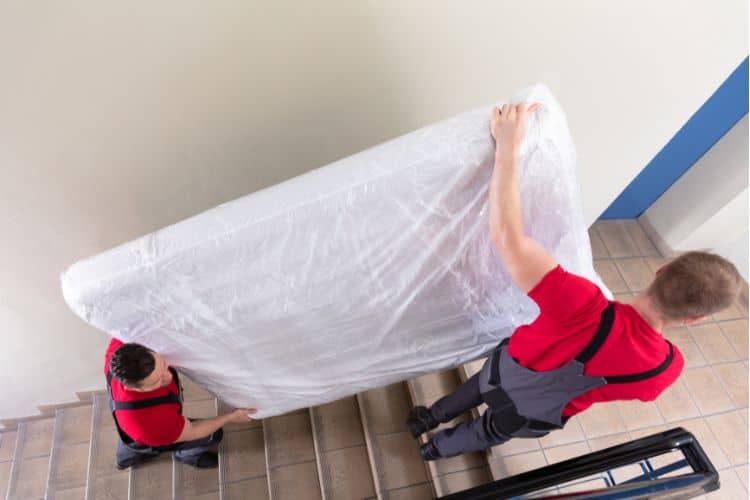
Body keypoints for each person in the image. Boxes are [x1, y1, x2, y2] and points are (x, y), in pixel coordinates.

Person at [407, 102, 743, 460]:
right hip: (531, 414)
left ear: (660, 270)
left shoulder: (581, 302)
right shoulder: (664, 368)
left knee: (476, 388)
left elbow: (508, 238)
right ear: (694, 319)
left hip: (505, 371)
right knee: (488, 431)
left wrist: (507, 147)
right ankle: (435, 450)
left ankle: (427, 418)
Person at [104, 338, 257, 469]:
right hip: (147, 432)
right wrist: (230, 417)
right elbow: (193, 430)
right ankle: (187, 456)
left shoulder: (121, 345)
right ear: (133, 387)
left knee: (132, 440)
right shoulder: (150, 425)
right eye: (157, 381)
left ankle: (125, 457)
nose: (168, 376)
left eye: (163, 365)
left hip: (133, 421)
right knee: (213, 435)